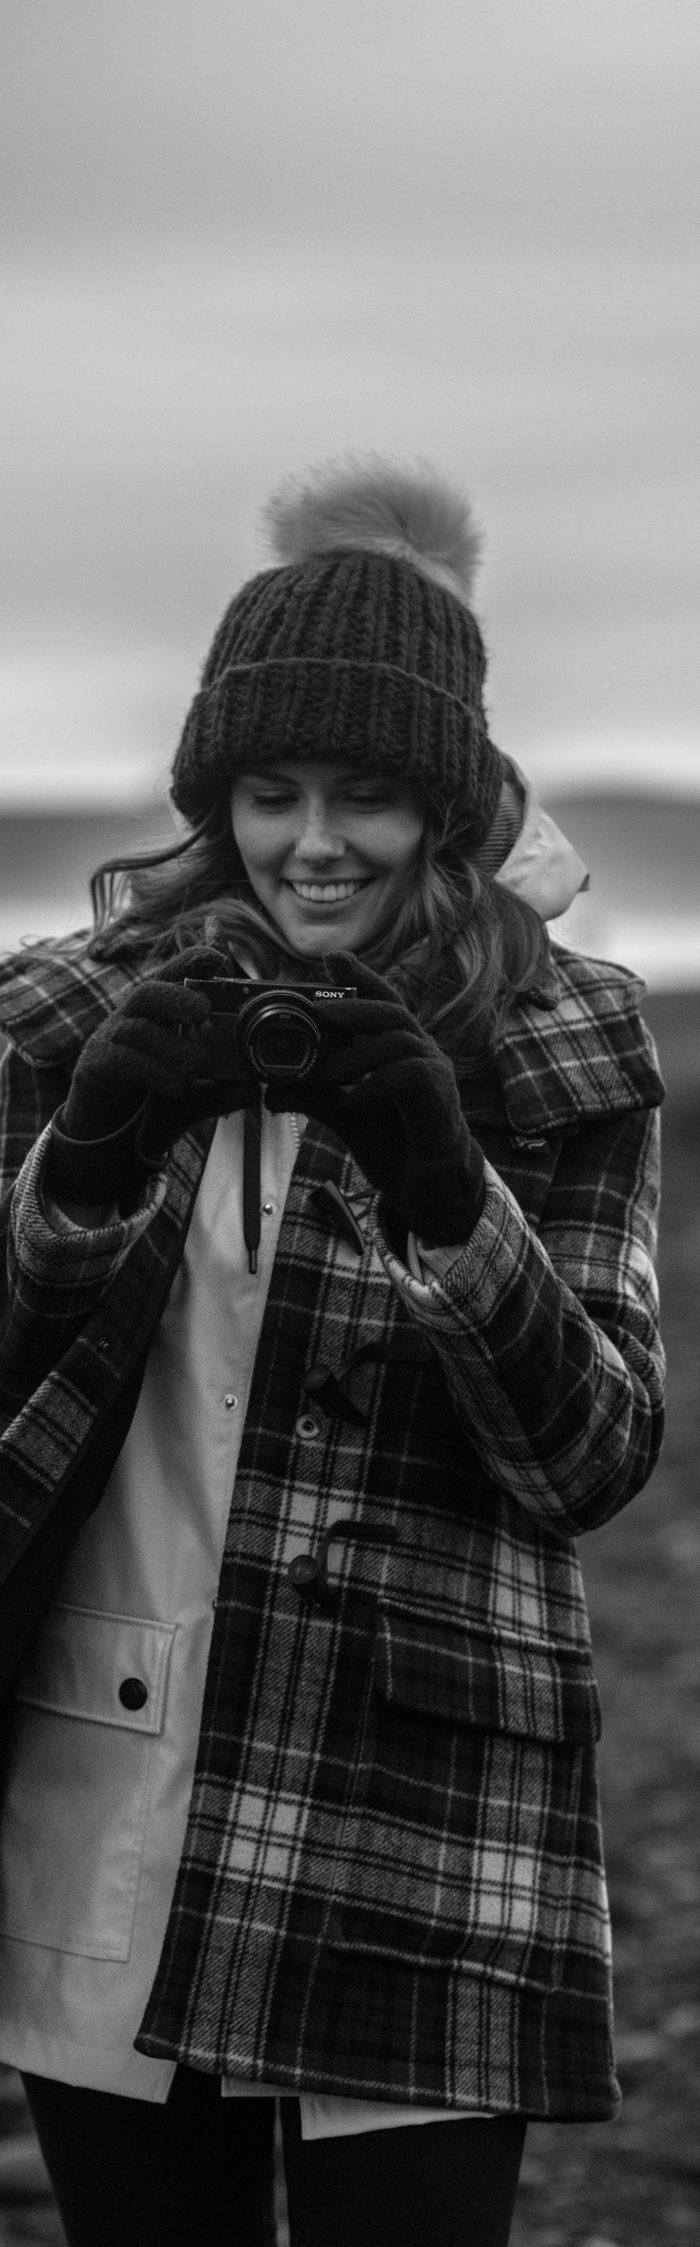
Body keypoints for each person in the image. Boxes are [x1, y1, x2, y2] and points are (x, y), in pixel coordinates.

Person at [0, 459, 665, 2247]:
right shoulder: (62, 1023)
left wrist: (457, 1194)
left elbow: (591, 1457)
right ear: (214, 804)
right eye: (271, 792)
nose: (315, 842)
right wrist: (80, 1167)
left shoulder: (570, 1047)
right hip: (109, 1789)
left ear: (443, 813)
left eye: (367, 797)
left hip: (420, 1815)